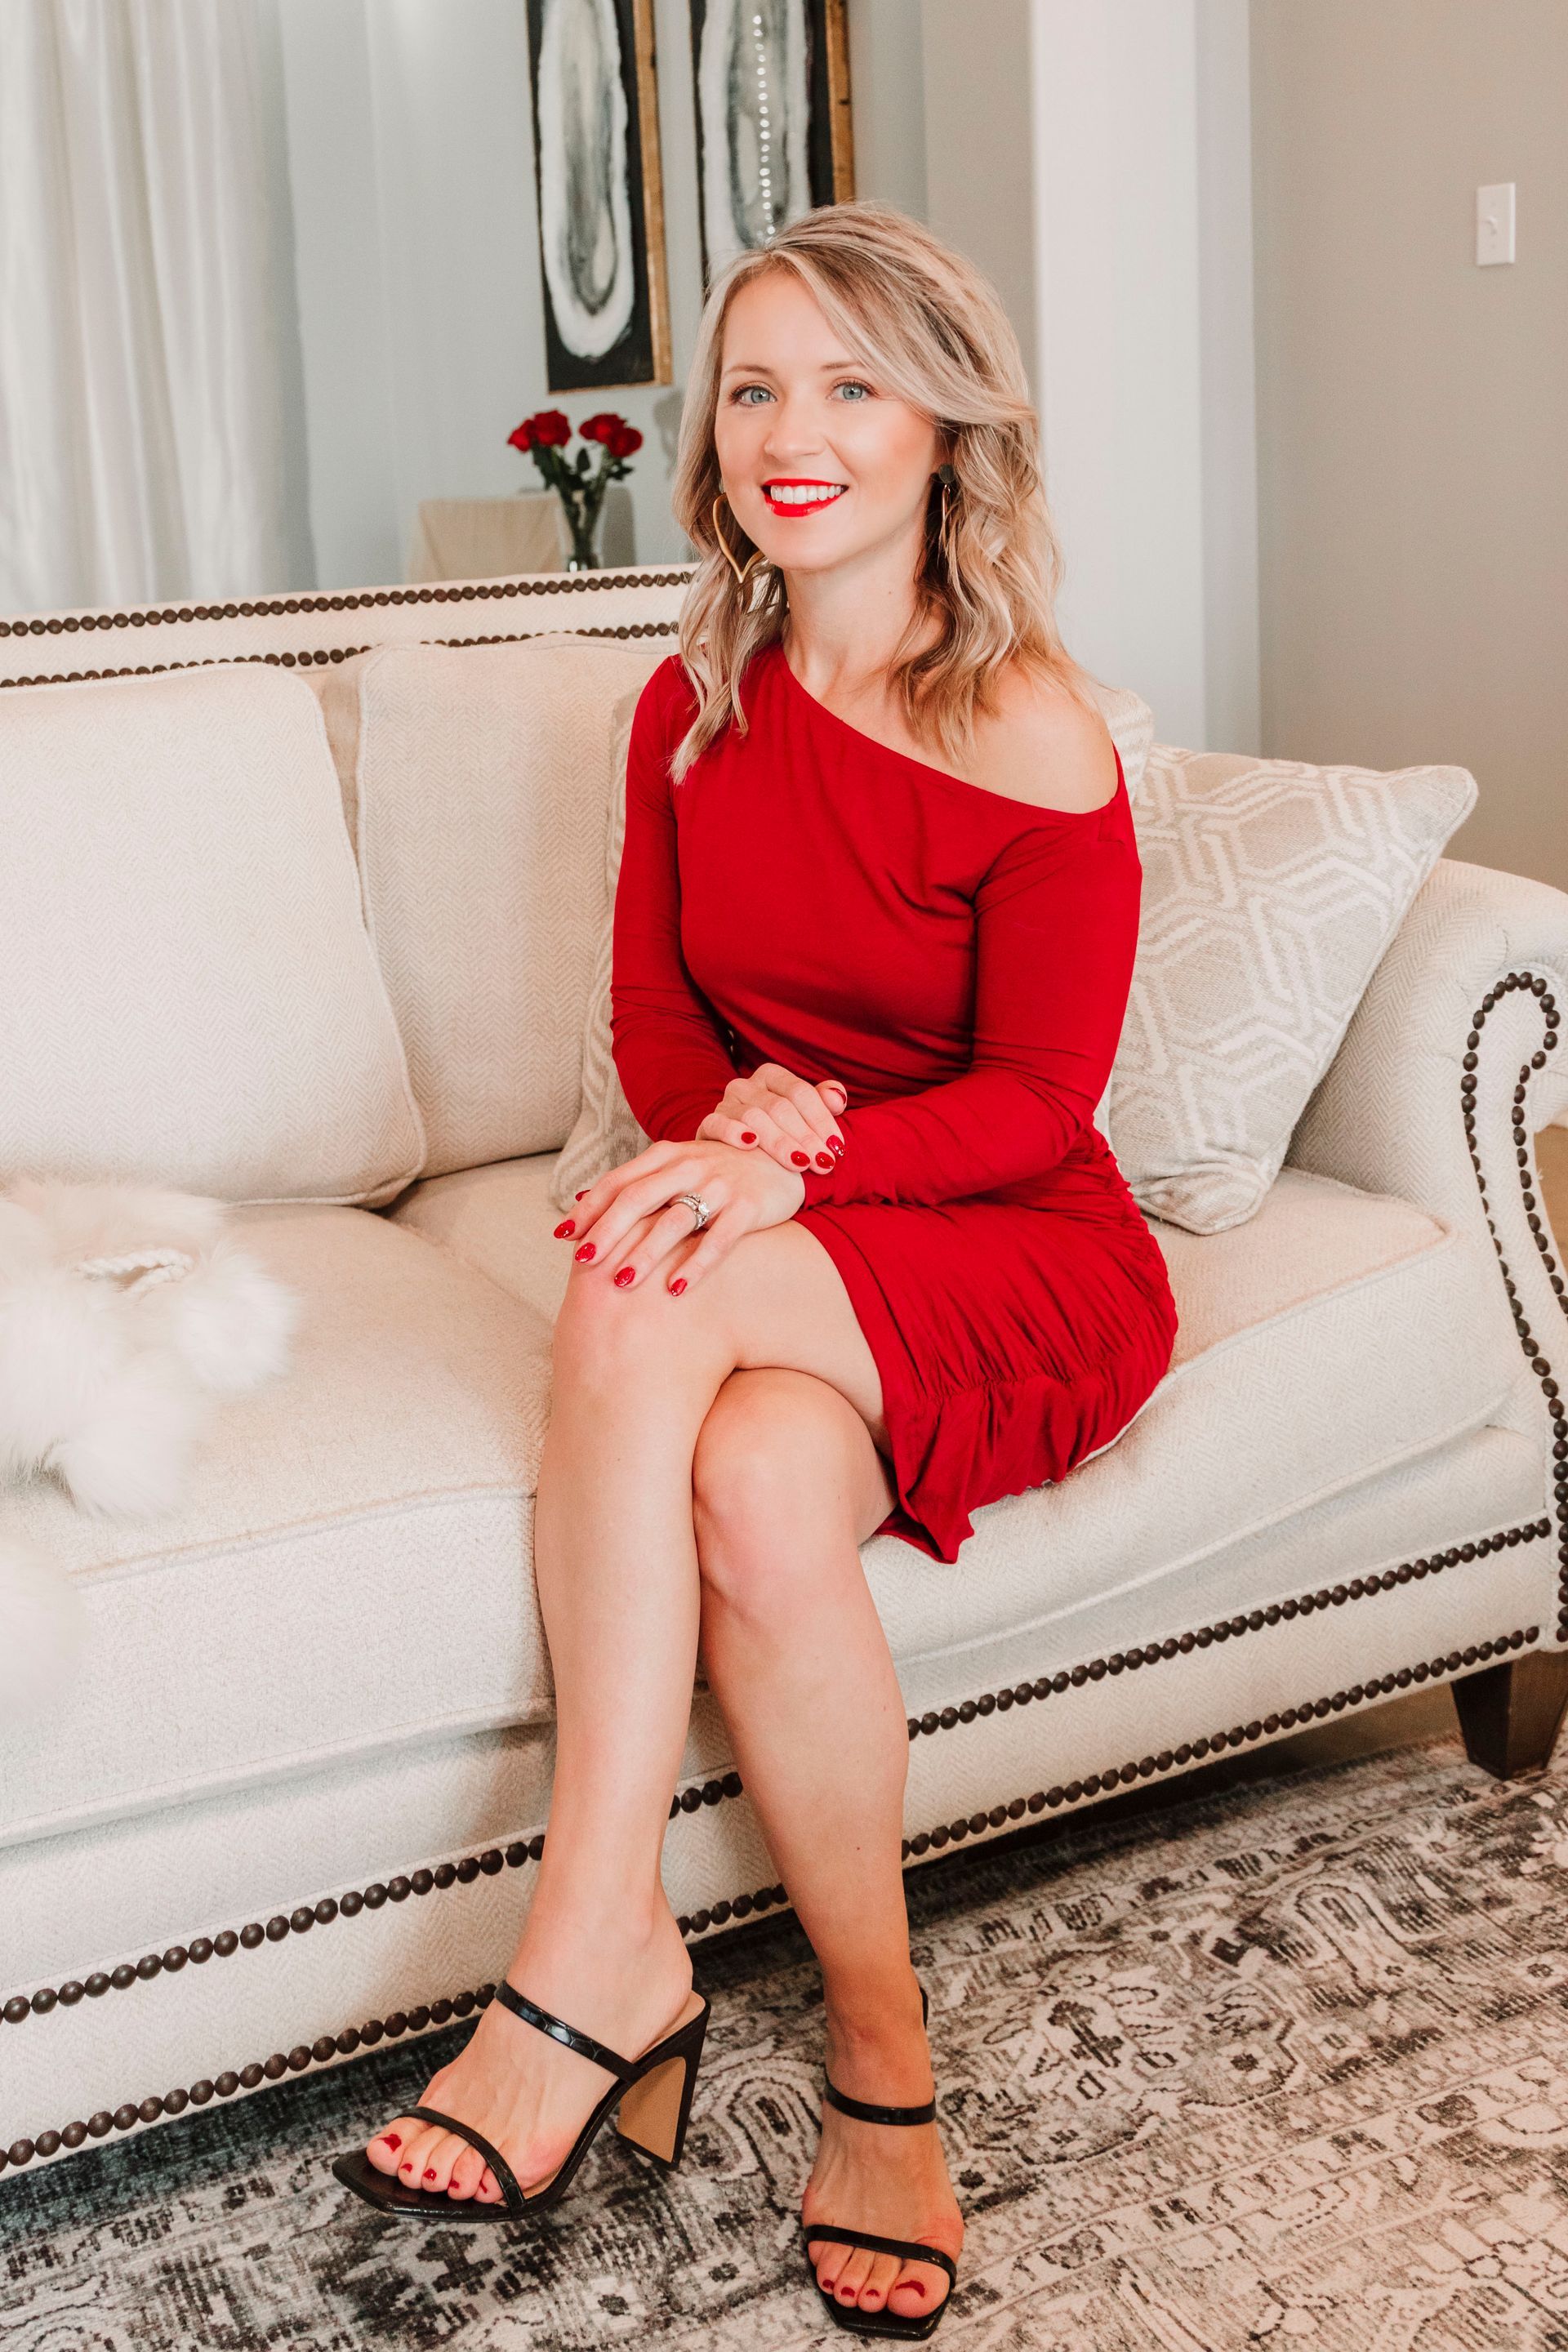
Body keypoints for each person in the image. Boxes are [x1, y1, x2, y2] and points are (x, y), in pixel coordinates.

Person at [336, 199, 1178, 2338]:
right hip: (801, 1219)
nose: (790, 433)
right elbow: (656, 1028)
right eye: (752, 389)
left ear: (941, 434)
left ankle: (590, 1946)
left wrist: (793, 1174)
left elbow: (1037, 1103)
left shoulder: (1032, 730)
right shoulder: (691, 700)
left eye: (849, 387)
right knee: (749, 1488)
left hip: (1011, 1247)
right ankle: (884, 2066)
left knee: (636, 1278)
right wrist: (735, 1127)